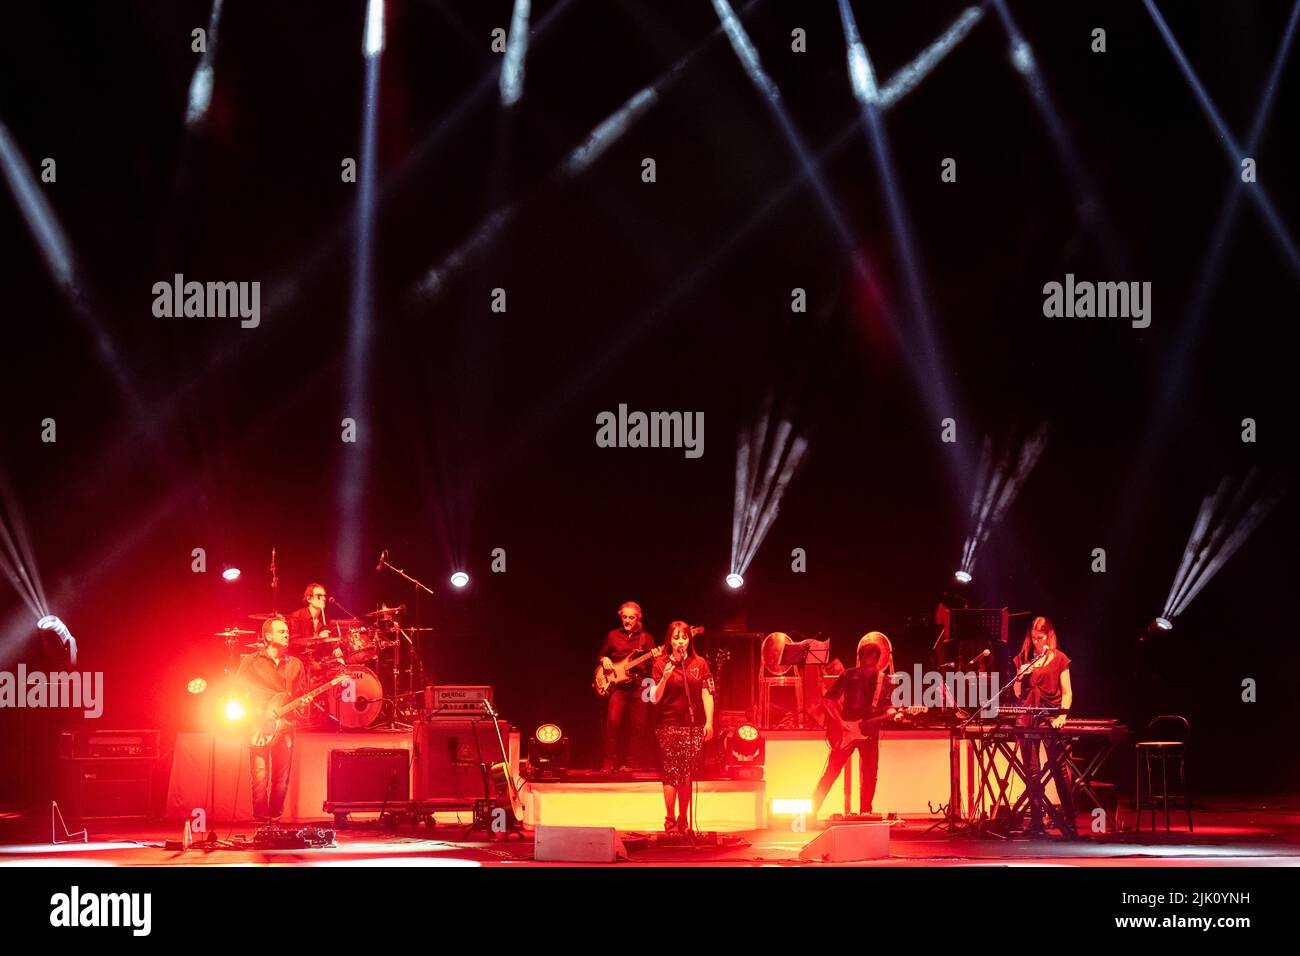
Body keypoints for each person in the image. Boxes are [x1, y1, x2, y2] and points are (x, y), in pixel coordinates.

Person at [811, 631, 894, 820]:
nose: (868, 664)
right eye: (866, 659)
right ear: (860, 658)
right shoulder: (848, 675)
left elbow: (889, 706)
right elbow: (828, 700)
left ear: (877, 660)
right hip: (846, 731)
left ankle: (865, 812)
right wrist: (841, 724)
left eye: (872, 660)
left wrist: (893, 714)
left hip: (869, 732)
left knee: (870, 774)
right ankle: (811, 811)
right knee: (831, 772)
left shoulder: (885, 680)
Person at [235, 615, 307, 824]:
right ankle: (260, 819)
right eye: (281, 631)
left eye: (287, 631)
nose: (287, 635)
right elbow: (237, 692)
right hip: (258, 724)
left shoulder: (296, 665)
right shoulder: (250, 662)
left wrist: (302, 704)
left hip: (285, 725)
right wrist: (257, 713)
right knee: (259, 776)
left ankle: (274, 819)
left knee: (281, 778)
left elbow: (299, 695)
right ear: (268, 636)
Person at [1012, 615, 1076, 836]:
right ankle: (1036, 820)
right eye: (1034, 637)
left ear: (1049, 635)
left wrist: (1063, 716)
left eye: (1041, 637)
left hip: (1051, 717)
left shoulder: (1060, 659)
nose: (1037, 642)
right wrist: (1019, 677)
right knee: (1032, 771)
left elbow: (1067, 692)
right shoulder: (1024, 658)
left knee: (1058, 770)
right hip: (1028, 718)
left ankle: (1069, 820)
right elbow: (1018, 693)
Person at [649, 621, 714, 834]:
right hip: (668, 725)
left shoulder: (700, 663)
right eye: (676, 638)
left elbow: (707, 693)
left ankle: (683, 819)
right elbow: (653, 698)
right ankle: (669, 820)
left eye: (684, 637)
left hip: (692, 726)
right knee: (670, 773)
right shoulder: (660, 663)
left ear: (689, 640)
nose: (680, 642)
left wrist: (709, 722)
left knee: (686, 773)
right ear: (670, 640)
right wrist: (666, 677)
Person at [596, 601, 657, 771]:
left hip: (642, 684)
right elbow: (601, 655)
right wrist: (604, 659)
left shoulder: (647, 637)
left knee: (639, 725)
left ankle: (633, 764)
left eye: (631, 617)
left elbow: (654, 661)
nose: (627, 620)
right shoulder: (612, 635)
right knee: (613, 722)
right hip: (618, 685)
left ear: (638, 618)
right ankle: (609, 762)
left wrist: (656, 656)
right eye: (624, 617)